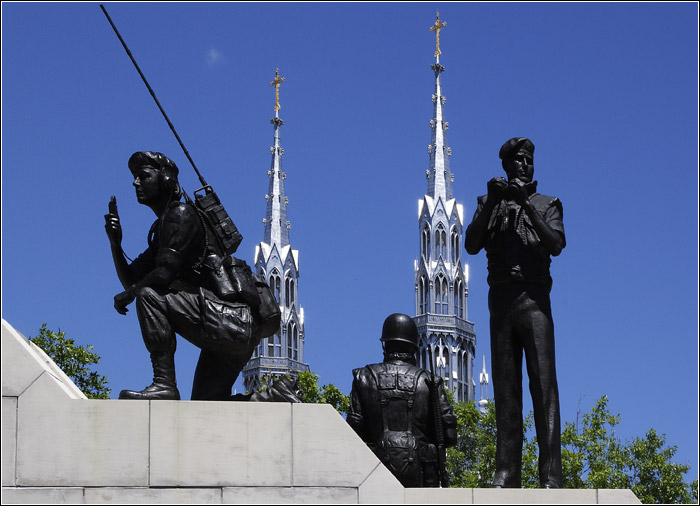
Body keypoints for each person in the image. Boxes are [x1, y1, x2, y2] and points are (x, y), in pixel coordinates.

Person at [104, 151, 261, 401]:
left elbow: (161, 277)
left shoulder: (181, 215)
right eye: (135, 178)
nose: (136, 183)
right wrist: (115, 245)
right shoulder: (164, 226)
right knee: (209, 404)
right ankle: (275, 395)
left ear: (166, 178)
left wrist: (129, 295)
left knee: (149, 296)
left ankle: (164, 383)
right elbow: (133, 279)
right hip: (234, 330)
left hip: (229, 322)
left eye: (143, 176)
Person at [464, 137, 566, 488]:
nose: (524, 165)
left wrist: (527, 206)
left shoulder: (548, 203)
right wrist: (493, 200)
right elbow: (471, 244)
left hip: (535, 301)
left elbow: (555, 244)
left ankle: (551, 476)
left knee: (543, 388)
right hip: (501, 302)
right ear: (506, 165)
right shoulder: (487, 203)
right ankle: (506, 472)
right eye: (518, 160)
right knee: (506, 391)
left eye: (529, 160)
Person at [347, 313, 457, 487]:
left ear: (385, 345)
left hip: (374, 477)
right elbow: (449, 435)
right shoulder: (430, 381)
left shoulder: (364, 377)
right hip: (423, 480)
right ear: (414, 347)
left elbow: (354, 431)